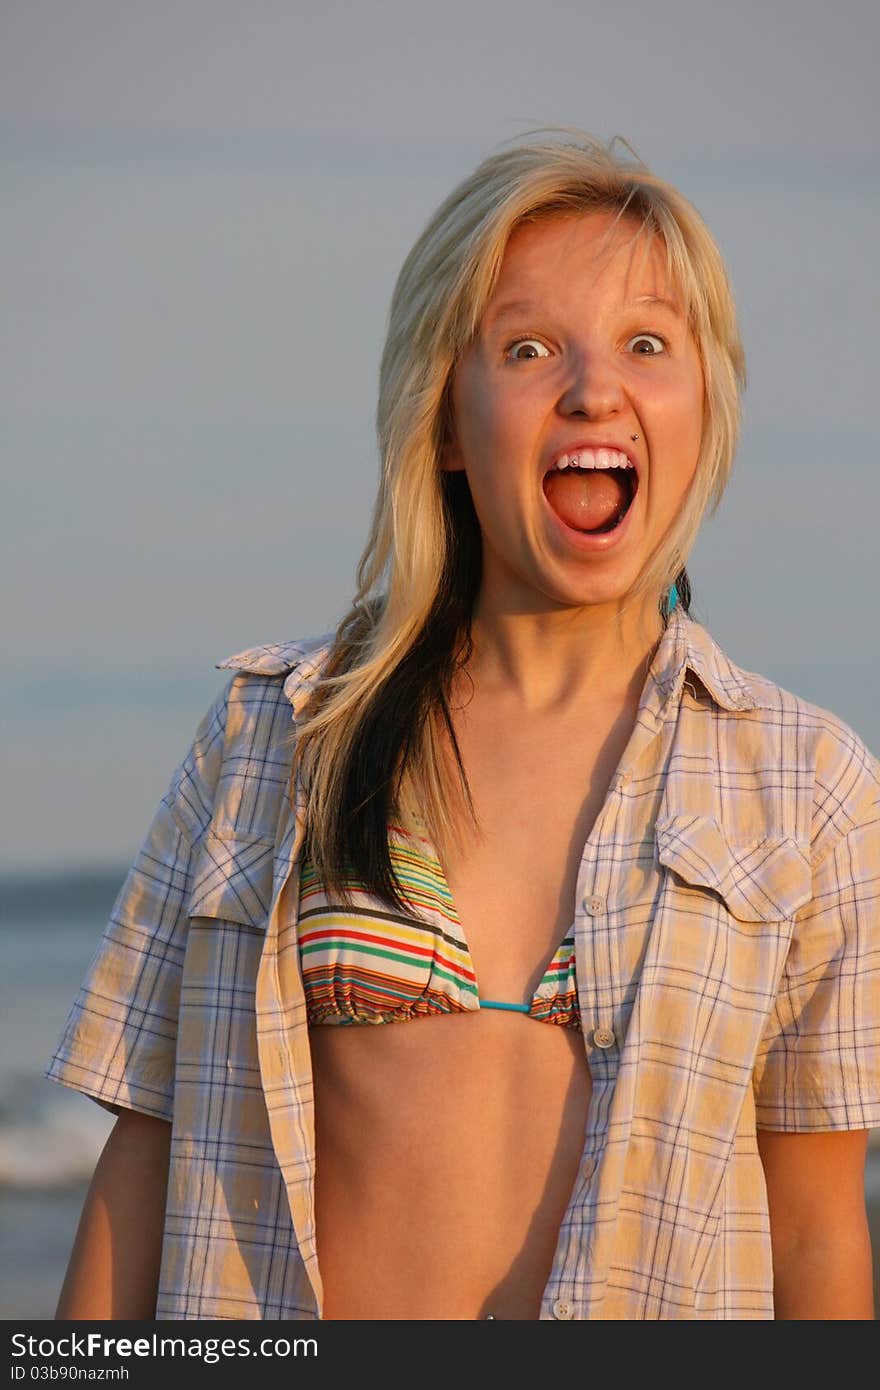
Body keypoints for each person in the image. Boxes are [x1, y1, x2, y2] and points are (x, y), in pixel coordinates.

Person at [48, 128, 879, 1321]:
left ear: (703, 406)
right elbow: (141, 1163)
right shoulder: (272, 739)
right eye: (529, 347)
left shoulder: (810, 787)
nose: (596, 387)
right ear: (442, 420)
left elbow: (814, 1235)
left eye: (647, 344)